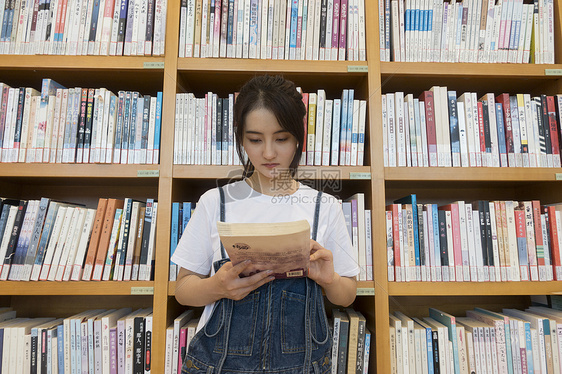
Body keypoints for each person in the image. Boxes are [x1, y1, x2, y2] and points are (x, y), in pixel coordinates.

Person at [173, 75, 359, 374]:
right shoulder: (215, 202)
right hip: (218, 365)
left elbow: (347, 294)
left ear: (298, 138)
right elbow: (183, 289)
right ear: (241, 139)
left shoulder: (324, 206)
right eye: (255, 140)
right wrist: (216, 287)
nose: (269, 153)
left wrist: (329, 280)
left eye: (281, 139)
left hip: (303, 366)